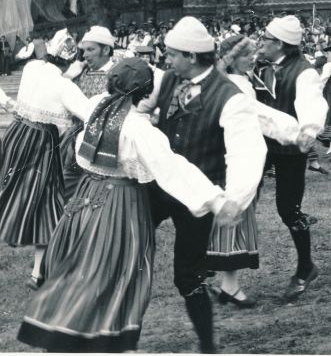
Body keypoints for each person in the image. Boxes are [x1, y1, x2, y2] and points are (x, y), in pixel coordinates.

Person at [17, 59, 241, 353]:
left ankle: (66, 332)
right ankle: (103, 338)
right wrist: (216, 199)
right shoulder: (138, 129)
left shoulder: (97, 108)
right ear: (146, 93)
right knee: (116, 272)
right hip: (120, 203)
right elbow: (172, 168)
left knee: (81, 266)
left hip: (86, 197)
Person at [138, 16, 267, 353]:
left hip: (199, 193)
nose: (166, 60)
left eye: (171, 54)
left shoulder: (229, 95)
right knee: (131, 252)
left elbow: (247, 151)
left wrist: (234, 199)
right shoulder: (168, 79)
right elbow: (146, 111)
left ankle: (207, 346)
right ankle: (120, 334)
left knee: (188, 276)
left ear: (192, 57)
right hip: (159, 185)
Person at [208, 34, 301, 308]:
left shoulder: (234, 81)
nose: (253, 57)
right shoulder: (234, 85)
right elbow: (257, 116)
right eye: (247, 54)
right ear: (232, 58)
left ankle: (224, 282)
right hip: (235, 156)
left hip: (229, 154)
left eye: (253, 52)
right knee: (235, 211)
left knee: (233, 213)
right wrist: (292, 130)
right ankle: (229, 285)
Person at [0, 38, 90, 290]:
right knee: (48, 203)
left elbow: (41, 65)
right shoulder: (66, 87)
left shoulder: (32, 69)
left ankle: (38, 273)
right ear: (72, 62)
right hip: (41, 143)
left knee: (19, 195)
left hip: (16, 135)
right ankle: (39, 270)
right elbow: (87, 113)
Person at [255, 15, 329, 301]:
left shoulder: (303, 71)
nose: (262, 43)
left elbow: (312, 105)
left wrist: (308, 132)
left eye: (266, 39)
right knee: (239, 193)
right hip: (261, 143)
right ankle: (223, 267)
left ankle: (305, 267)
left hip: (288, 148)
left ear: (281, 44)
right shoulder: (262, 67)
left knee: (288, 208)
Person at [60, 25, 117, 202]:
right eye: (83, 50)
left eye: (91, 50)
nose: (85, 55)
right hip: (74, 141)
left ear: (106, 49)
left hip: (104, 145)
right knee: (62, 189)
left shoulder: (118, 75)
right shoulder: (79, 72)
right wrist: (68, 76)